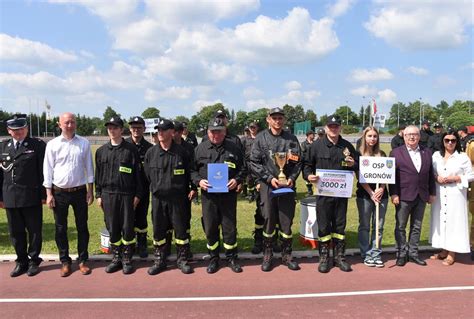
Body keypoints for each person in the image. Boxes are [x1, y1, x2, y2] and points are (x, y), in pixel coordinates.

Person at [303, 115, 357, 273]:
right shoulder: (316, 146)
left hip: (341, 195)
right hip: (323, 194)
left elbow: (357, 165)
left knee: (340, 225)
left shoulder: (347, 146)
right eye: (330, 126)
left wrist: (353, 164)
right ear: (326, 128)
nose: (333, 128)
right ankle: (325, 257)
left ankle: (340, 257)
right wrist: (308, 176)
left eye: (336, 126)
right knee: (324, 225)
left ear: (340, 127)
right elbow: (306, 165)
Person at [250, 107, 301, 272]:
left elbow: (298, 161)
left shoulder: (291, 139)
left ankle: (287, 256)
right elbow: (254, 162)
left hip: (286, 186)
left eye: (280, 118)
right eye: (274, 118)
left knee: (286, 222)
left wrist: (292, 179)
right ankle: (268, 255)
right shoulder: (260, 138)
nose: (277, 121)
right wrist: (269, 178)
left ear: (283, 120)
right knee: (269, 220)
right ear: (268, 119)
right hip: (268, 185)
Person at [43, 112, 94, 277]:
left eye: (72, 122)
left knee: (82, 227)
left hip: (79, 192)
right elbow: (48, 170)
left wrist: (90, 191)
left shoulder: (84, 143)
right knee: (60, 228)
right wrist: (49, 194)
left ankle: (83, 260)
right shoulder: (52, 144)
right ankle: (65, 261)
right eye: (66, 123)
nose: (69, 125)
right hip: (59, 193)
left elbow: (89, 169)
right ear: (59, 124)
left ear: (76, 124)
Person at [191, 118, 245, 274]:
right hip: (209, 197)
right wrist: (199, 181)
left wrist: (237, 179)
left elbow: (244, 168)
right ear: (208, 132)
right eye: (213, 131)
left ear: (224, 132)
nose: (216, 134)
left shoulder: (234, 148)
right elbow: (192, 170)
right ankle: (213, 257)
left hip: (228, 195)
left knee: (229, 228)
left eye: (219, 131)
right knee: (210, 227)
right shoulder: (199, 149)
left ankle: (231, 257)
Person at [144, 119, 194, 275]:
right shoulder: (151, 153)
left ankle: (182, 260)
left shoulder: (182, 152)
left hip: (178, 199)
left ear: (172, 132)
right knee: (159, 231)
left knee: (181, 231)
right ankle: (160, 260)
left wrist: (193, 188)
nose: (160, 132)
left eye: (164, 130)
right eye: (158, 130)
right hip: (159, 199)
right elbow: (147, 175)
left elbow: (190, 173)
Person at [95, 116, 143, 274]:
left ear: (121, 129)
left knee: (127, 227)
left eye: (115, 127)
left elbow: (138, 174)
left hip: (127, 194)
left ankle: (127, 258)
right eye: (109, 127)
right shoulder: (101, 151)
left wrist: (137, 194)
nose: (112, 130)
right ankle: (116, 257)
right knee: (112, 226)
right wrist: (98, 194)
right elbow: (99, 175)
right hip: (108, 195)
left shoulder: (131, 150)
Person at [0, 114, 46, 277]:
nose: (18, 132)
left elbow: (42, 172)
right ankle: (21, 261)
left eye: (21, 128)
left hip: (31, 195)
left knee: (34, 231)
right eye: (15, 129)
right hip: (10, 197)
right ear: (9, 131)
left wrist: (44, 195)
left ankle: (33, 260)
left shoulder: (37, 145)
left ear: (26, 129)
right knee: (15, 232)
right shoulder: (3, 147)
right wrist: (1, 197)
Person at [389, 125, 436, 267]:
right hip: (403, 195)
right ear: (404, 136)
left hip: (421, 195)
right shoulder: (395, 153)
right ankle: (401, 253)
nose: (412, 137)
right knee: (401, 226)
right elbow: (393, 177)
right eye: (409, 134)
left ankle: (413, 253)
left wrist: (432, 193)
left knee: (417, 226)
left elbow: (430, 174)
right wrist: (394, 193)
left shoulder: (427, 152)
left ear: (419, 136)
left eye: (415, 134)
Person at [430, 129, 474, 265]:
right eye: (447, 140)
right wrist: (436, 177)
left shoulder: (462, 157)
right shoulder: (436, 155)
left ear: (457, 142)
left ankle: (452, 253)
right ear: (442, 141)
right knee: (441, 221)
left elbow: (472, 175)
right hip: (439, 194)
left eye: (453, 140)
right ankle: (443, 250)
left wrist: (456, 178)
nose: (450, 143)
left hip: (456, 194)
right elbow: (430, 171)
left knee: (454, 223)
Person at [355, 127, 388, 268]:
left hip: (381, 196)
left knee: (378, 226)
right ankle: (366, 253)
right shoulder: (358, 155)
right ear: (364, 137)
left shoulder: (382, 154)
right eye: (369, 136)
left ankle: (376, 253)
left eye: (375, 136)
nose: (372, 139)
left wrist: (381, 188)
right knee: (365, 226)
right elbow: (360, 177)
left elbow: (387, 175)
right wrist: (371, 193)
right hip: (365, 195)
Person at [126, 116, 153, 258]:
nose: (136, 130)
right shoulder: (124, 145)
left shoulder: (149, 148)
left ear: (144, 129)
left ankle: (142, 244)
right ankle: (129, 245)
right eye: (133, 127)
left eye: (139, 127)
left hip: (142, 190)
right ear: (130, 129)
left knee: (141, 218)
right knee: (128, 218)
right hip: (127, 190)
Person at [241, 122, 259, 201]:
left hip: (258, 163)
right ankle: (251, 194)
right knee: (249, 179)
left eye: (254, 127)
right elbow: (241, 151)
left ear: (257, 128)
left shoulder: (260, 138)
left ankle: (257, 193)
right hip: (248, 162)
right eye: (251, 127)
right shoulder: (245, 139)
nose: (252, 129)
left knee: (258, 178)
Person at [301, 130, 315, 195]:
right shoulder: (303, 144)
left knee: (317, 176)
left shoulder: (315, 143)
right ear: (309, 135)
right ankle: (309, 190)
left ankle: (318, 190)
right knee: (307, 177)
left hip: (315, 163)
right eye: (312, 134)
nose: (314, 136)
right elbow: (303, 154)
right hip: (307, 163)